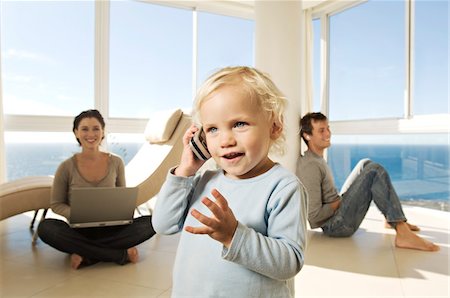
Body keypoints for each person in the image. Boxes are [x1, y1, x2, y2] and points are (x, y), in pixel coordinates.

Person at [152, 66, 308, 297]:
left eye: (239, 124)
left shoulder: (283, 187)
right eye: (212, 129)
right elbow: (163, 225)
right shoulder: (204, 180)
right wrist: (185, 170)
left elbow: (289, 262)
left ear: (274, 126)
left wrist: (233, 235)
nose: (225, 140)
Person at [297, 112, 439, 252]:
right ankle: (402, 233)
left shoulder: (317, 158)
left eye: (328, 128)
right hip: (336, 226)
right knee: (374, 170)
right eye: (321, 130)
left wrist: (339, 201)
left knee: (365, 163)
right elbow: (313, 217)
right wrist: (338, 203)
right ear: (307, 135)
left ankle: (392, 219)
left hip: (338, 211)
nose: (328, 134)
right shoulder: (310, 166)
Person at [38, 109, 155, 269]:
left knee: (152, 222)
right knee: (46, 228)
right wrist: (79, 214)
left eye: (96, 128)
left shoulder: (116, 162)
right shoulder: (66, 167)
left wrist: (120, 212)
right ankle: (118, 255)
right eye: (84, 129)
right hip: (79, 230)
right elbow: (57, 204)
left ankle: (86, 254)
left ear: (103, 132)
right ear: (76, 133)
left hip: (113, 229)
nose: (90, 134)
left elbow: (121, 199)